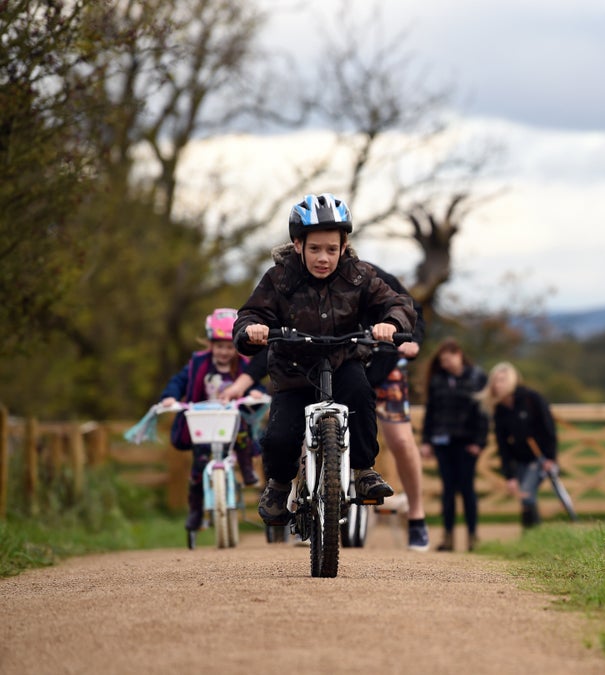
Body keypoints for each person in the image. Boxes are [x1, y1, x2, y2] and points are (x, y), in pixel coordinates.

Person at [234, 193, 416, 527]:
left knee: (360, 394)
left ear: (344, 246)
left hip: (343, 361)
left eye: (332, 249)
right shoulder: (278, 278)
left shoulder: (358, 276)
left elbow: (398, 303)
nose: (324, 258)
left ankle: (363, 471)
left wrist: (391, 324)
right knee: (278, 437)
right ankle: (277, 485)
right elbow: (249, 314)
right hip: (294, 371)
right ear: (297, 244)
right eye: (315, 248)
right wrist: (253, 329)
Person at [159, 308, 267, 534]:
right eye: (219, 346)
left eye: (230, 347)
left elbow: (254, 382)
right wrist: (170, 396)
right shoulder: (198, 364)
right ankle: (196, 511)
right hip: (205, 424)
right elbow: (179, 381)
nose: (224, 352)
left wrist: (256, 393)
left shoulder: (244, 366)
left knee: (243, 429)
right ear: (210, 345)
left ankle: (246, 466)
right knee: (198, 468)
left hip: (232, 421)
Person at [363, 262, 431, 552]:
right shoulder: (311, 282)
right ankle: (310, 505)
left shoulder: (373, 277)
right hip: (343, 365)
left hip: (386, 363)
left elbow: (413, 310)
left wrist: (412, 341)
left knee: (401, 440)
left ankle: (416, 515)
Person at [420, 338, 488, 551]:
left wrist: (479, 441)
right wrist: (426, 441)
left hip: (467, 443)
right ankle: (448, 536)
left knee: (467, 490)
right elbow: (431, 412)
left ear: (458, 354)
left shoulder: (477, 377)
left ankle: (472, 536)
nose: (445, 364)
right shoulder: (438, 380)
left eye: (448, 359)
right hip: (442, 442)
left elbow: (483, 413)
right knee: (448, 490)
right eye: (442, 361)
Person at [478, 362, 558, 530]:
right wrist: (509, 475)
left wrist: (551, 457)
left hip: (539, 456)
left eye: (502, 380)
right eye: (495, 380)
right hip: (520, 459)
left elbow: (549, 428)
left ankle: (534, 534)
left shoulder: (531, 398)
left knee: (527, 493)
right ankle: (531, 536)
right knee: (525, 497)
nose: (498, 384)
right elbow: (503, 446)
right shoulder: (500, 409)